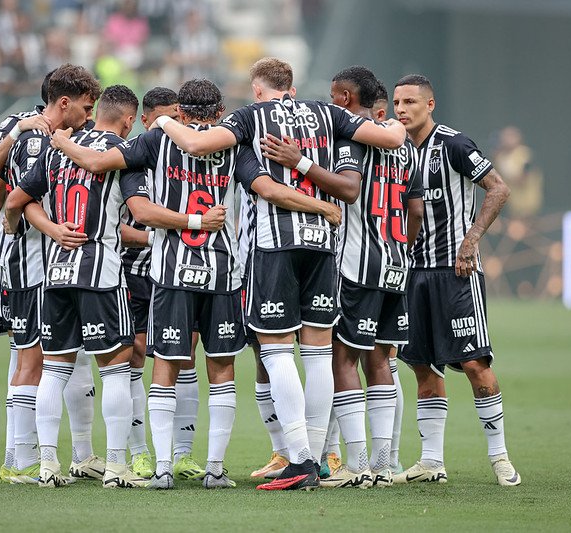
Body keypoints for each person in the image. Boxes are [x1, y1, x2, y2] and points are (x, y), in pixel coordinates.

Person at [50, 77, 343, 490]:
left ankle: (165, 467)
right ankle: (216, 469)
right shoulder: (235, 146)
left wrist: (61, 141)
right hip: (223, 271)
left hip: (171, 271)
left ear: (180, 113)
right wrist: (322, 207)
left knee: (165, 368)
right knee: (222, 370)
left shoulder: (153, 141)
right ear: (221, 113)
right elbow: (268, 189)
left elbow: (101, 168)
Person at [150, 57, 406, 490]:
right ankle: (322, 455)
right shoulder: (329, 113)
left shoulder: (250, 117)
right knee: (319, 352)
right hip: (324, 245)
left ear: (257, 89)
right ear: (291, 84)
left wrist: (161, 121)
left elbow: (196, 146)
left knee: (276, 349)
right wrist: (324, 203)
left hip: (276, 244)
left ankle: (299, 456)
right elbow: (391, 137)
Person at [261, 66, 424, 488]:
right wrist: (400, 248)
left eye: (335, 96)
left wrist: (300, 160)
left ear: (347, 98)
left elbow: (347, 189)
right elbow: (416, 210)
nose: (331, 103)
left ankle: (355, 462)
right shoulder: (406, 147)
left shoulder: (351, 136)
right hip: (395, 261)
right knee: (383, 360)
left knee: (339, 359)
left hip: (356, 263)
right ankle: (385, 464)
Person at [6, 83, 155, 488]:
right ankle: (116, 467)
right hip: (100, 274)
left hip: (55, 274)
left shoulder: (59, 148)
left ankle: (49, 466)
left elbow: (18, 200)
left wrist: (53, 229)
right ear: (128, 120)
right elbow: (139, 211)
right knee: (116, 369)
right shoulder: (122, 153)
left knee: (54, 370)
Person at [391, 74, 520, 486]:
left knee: (474, 363)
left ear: (430, 105)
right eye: (396, 103)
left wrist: (471, 241)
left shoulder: (454, 144)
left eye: (410, 102)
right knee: (421, 365)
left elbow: (498, 189)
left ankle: (500, 457)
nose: (401, 110)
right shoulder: (392, 149)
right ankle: (431, 461)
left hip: (457, 270)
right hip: (412, 272)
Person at [0, 69, 101, 484]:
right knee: (31, 357)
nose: (90, 117)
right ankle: (22, 461)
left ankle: (21, 456)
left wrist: (10, 224)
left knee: (49, 355)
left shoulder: (58, 136)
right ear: (63, 102)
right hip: (27, 261)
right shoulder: (28, 133)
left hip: (40, 260)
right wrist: (25, 230)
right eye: (86, 108)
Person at [121, 86, 207, 481]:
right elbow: (113, 224)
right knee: (136, 356)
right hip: (133, 271)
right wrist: (154, 236)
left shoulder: (194, 151)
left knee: (183, 356)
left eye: (180, 115)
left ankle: (182, 452)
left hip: (177, 268)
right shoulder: (139, 151)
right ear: (146, 120)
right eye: (167, 118)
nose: (176, 124)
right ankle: (141, 453)